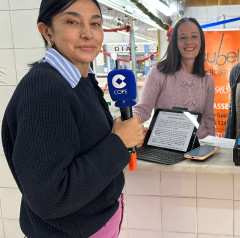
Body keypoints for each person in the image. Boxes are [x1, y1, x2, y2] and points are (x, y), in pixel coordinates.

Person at [1, 0, 145, 237]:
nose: (88, 33)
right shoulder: (45, 90)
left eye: (95, 23)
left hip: (92, 223)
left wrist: (122, 134)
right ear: (47, 31)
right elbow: (49, 197)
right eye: (72, 21)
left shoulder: (81, 80)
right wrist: (118, 143)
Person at [133, 17, 215, 139]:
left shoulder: (207, 80)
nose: (189, 42)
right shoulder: (159, 72)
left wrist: (212, 147)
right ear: (175, 43)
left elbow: (209, 120)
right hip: (165, 146)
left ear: (201, 41)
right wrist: (127, 126)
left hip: (199, 148)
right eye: (182, 37)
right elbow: (142, 110)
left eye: (194, 36)